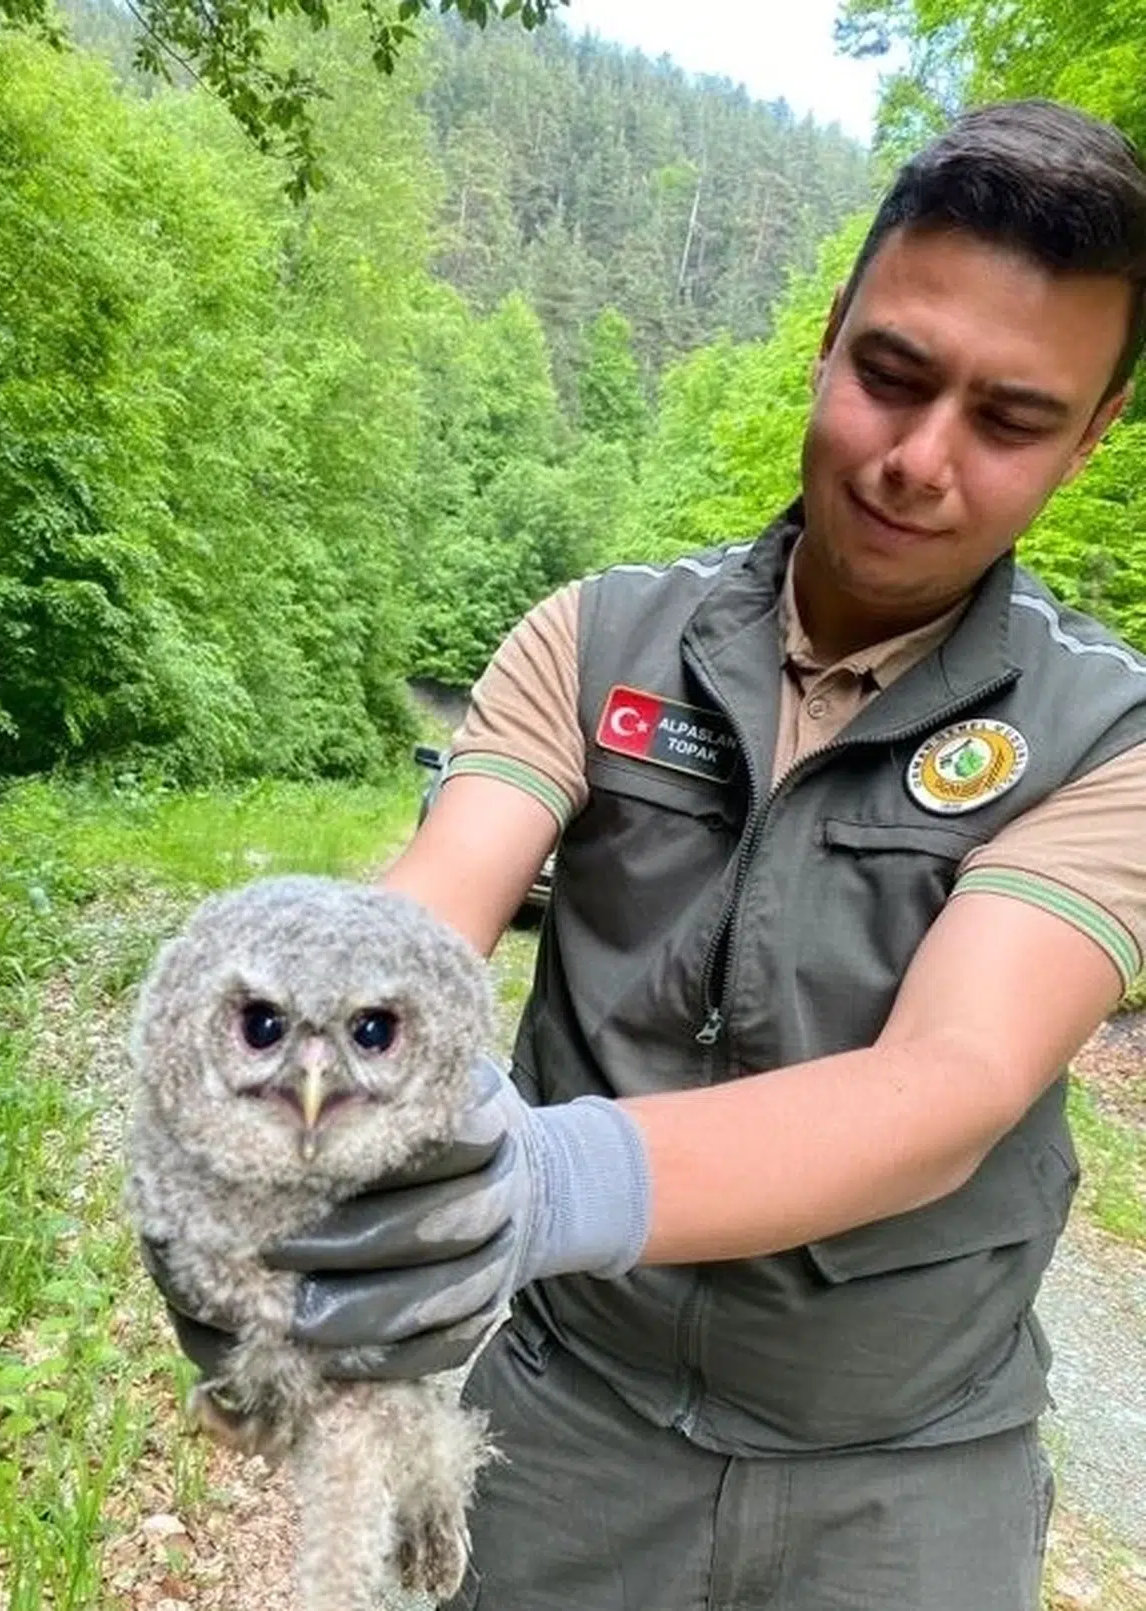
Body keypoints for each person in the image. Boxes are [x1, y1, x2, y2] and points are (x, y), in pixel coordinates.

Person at [152, 100, 1146, 1609]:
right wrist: (283, 1120)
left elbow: (949, 1082)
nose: (919, 462)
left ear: (1093, 437)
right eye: (890, 375)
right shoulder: (601, 635)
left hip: (907, 1474)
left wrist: (542, 1182)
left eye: (1009, 420)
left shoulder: (1108, 735)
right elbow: (422, 924)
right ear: (828, 335)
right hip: (565, 1423)